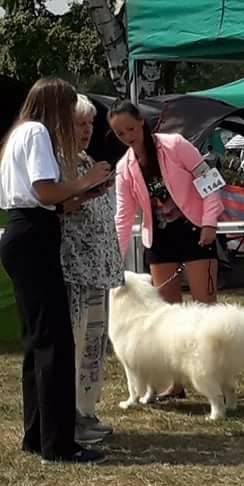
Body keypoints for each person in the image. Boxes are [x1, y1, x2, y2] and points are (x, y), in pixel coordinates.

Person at [0, 77, 113, 464]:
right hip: (34, 237)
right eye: (68, 110)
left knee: (37, 342)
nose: (70, 119)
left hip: (27, 230)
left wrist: (79, 195)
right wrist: (87, 179)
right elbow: (45, 190)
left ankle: (37, 435)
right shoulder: (37, 133)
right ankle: (59, 445)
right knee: (55, 344)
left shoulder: (19, 131)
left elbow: (42, 199)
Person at [109, 99, 224, 400]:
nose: (128, 136)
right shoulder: (125, 168)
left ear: (141, 124)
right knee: (166, 318)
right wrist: (113, 258)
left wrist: (210, 222)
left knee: (205, 309)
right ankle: (175, 384)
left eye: (131, 129)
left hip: (195, 233)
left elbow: (209, 181)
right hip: (159, 242)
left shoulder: (175, 145)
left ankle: (217, 381)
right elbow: (123, 217)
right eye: (120, 134)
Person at [61, 94, 124, 441]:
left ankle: (87, 410)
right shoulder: (59, 163)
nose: (86, 131)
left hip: (99, 269)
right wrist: (89, 186)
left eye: (90, 124)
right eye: (79, 124)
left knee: (95, 346)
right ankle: (69, 415)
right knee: (76, 340)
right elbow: (60, 206)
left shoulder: (87, 159)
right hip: (75, 269)